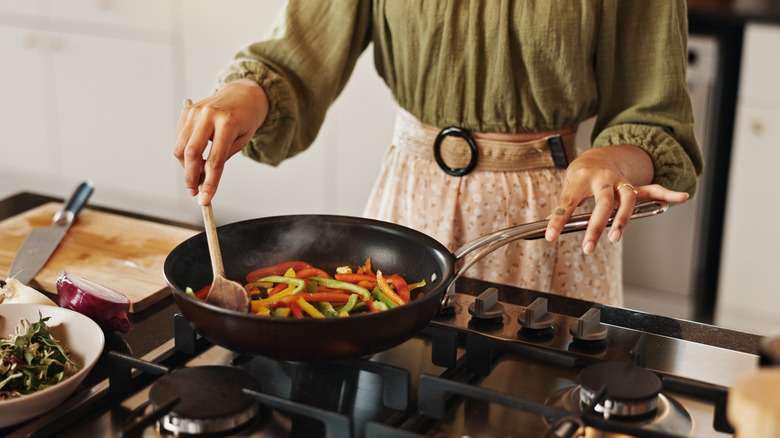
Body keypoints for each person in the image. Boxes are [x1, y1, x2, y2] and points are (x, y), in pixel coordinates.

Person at [174, 1, 701, 306]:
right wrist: (244, 94)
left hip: (551, 221)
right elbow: (296, 58)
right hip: (409, 207)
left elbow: (652, 115)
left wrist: (611, 162)